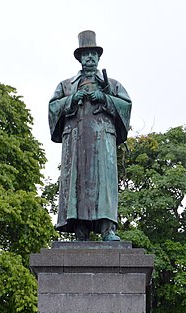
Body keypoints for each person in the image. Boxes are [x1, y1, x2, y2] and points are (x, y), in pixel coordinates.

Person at [49, 31, 132, 241]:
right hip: (76, 143)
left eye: (93, 54)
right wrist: (72, 99)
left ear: (98, 57)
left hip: (103, 141)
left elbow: (126, 106)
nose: (90, 58)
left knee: (104, 185)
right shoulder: (66, 85)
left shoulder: (111, 84)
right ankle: (80, 230)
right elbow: (52, 108)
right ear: (79, 58)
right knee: (77, 184)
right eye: (86, 54)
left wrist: (104, 98)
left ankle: (107, 229)